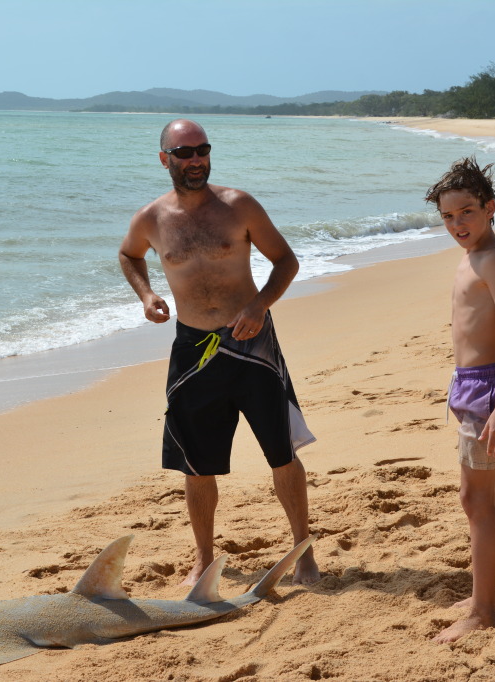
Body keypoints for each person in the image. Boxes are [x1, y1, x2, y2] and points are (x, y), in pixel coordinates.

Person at [118, 119, 320, 587]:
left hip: (252, 344)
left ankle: (303, 554)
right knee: (196, 463)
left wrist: (258, 304)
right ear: (164, 158)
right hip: (194, 351)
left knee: (281, 452)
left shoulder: (238, 205)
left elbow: (286, 261)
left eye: (202, 150)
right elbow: (129, 255)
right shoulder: (150, 219)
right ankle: (204, 558)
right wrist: (146, 295)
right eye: (184, 153)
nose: (196, 160)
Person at [424, 158, 495, 643]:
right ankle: (494, 593)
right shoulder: (472, 256)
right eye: (447, 217)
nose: (457, 224)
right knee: (490, 495)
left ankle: (483, 609)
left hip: (489, 388)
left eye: (466, 212)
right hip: (471, 383)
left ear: (490, 208)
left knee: (475, 499)